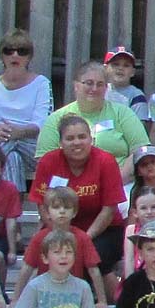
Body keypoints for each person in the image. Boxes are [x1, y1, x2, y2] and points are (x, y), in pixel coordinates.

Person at [30, 115, 126, 288]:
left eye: (82, 137)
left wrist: (83, 238)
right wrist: (58, 232)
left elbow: (109, 209)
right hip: (57, 227)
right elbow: (42, 204)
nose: (77, 143)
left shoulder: (106, 161)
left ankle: (105, 302)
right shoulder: (48, 161)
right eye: (70, 138)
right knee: (51, 250)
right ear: (60, 142)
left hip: (103, 230)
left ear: (91, 139)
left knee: (94, 255)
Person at [38, 60, 149, 182]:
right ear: (76, 85)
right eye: (89, 83)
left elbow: (140, 150)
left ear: (106, 88)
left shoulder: (122, 113)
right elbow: (44, 160)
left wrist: (116, 182)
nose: (94, 89)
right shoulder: (56, 118)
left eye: (100, 84)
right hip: (68, 187)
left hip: (118, 183)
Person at [0, 28, 52, 191]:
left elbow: (42, 124)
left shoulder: (41, 84)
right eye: (9, 51)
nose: (15, 55)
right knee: (12, 158)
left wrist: (18, 132)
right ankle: (14, 210)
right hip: (0, 143)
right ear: (2, 56)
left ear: (29, 57)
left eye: (22, 51)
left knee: (3, 147)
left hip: (33, 148)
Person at [17, 186, 106, 308]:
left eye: (67, 207)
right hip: (44, 295)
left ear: (74, 212)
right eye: (56, 207)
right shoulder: (39, 238)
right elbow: (27, 268)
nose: (62, 211)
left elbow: (93, 269)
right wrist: (16, 298)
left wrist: (102, 301)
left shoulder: (82, 238)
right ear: (47, 212)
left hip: (73, 295)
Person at [102, 46, 151, 125]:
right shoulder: (98, 91)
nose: (120, 68)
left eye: (126, 65)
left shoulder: (136, 96)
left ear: (133, 72)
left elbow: (139, 128)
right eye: (115, 64)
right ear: (105, 68)